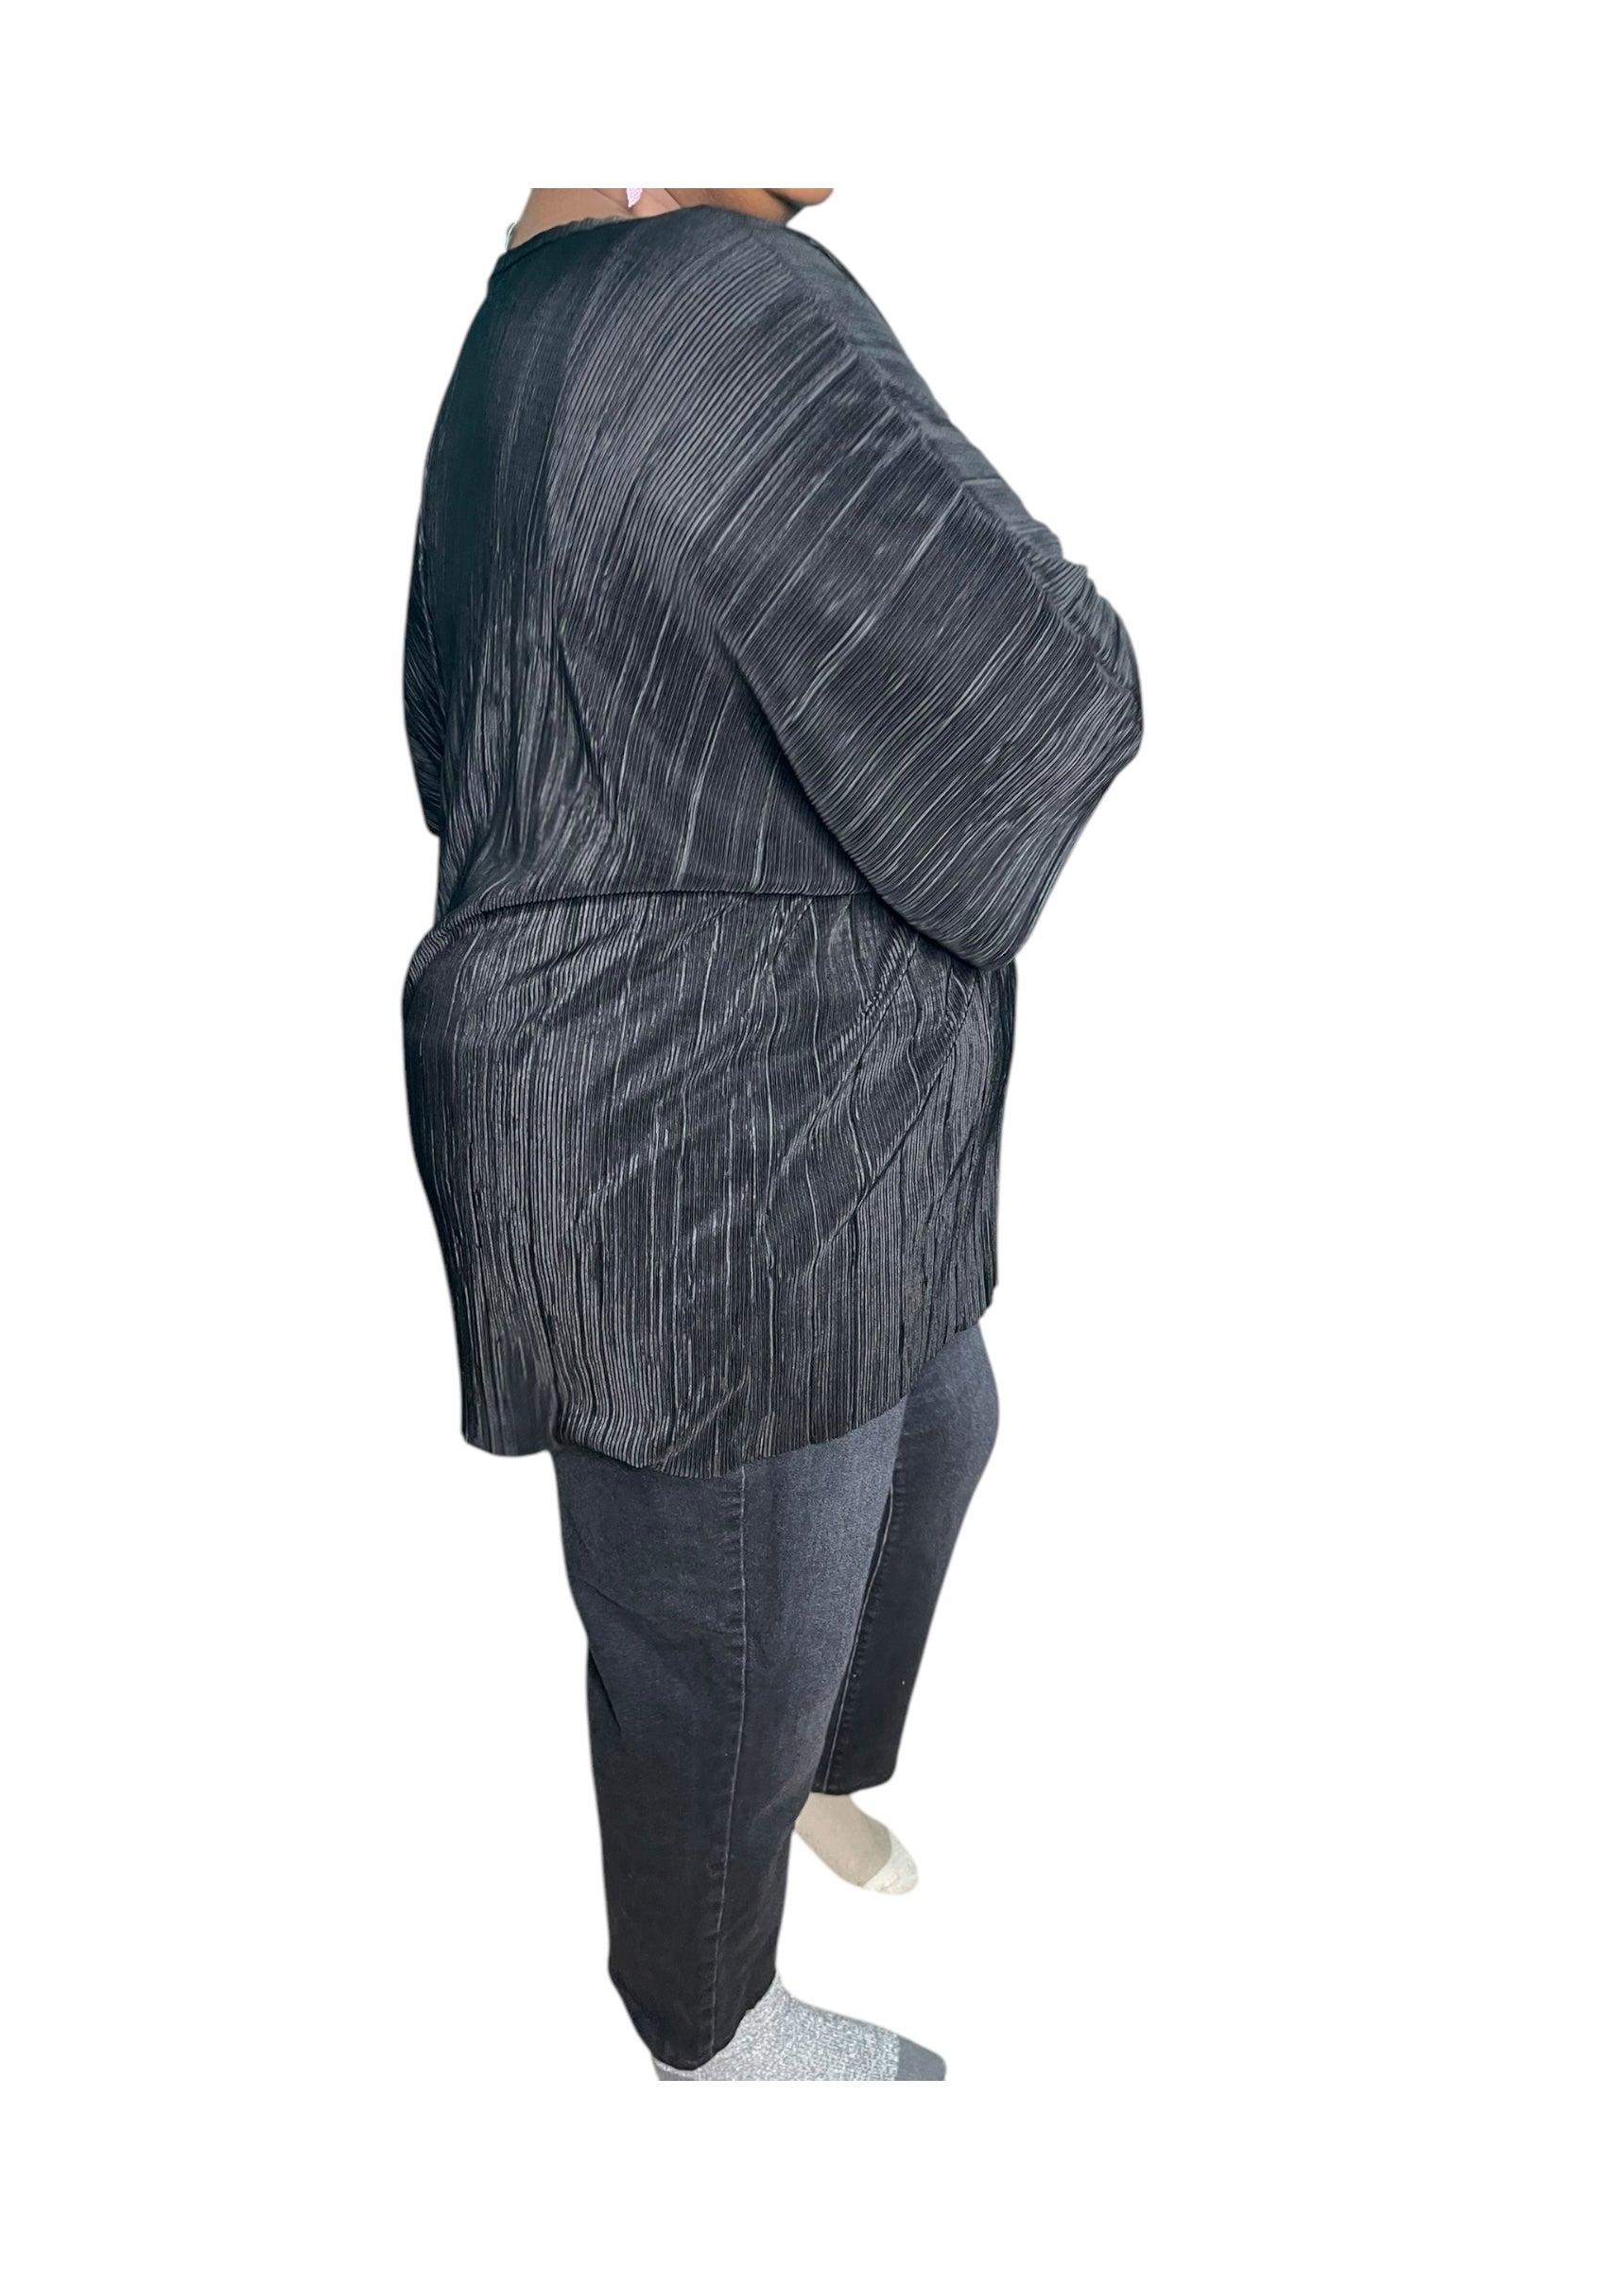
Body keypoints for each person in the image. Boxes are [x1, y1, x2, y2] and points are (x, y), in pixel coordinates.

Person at [401, 184, 1144, 2080]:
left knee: (936, 1429)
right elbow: (1041, 693)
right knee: (725, 1604)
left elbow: (449, 723)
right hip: (720, 1128)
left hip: (719, 1090)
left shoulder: (520, 322)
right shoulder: (723, 292)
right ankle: (710, 2025)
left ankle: (798, 1768)